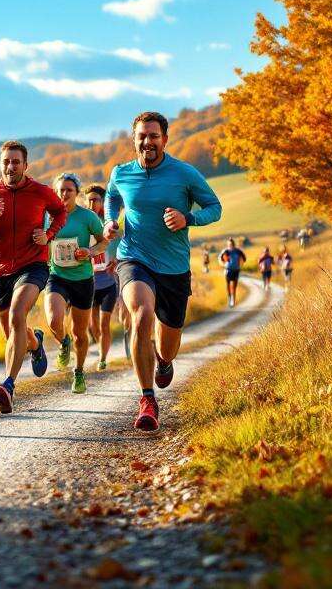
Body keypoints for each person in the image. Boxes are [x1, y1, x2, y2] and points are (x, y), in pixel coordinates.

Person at [104, 111, 221, 431]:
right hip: (134, 258)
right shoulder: (121, 173)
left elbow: (215, 208)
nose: (147, 142)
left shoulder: (184, 174)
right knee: (141, 314)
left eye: (154, 136)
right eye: (142, 136)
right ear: (134, 140)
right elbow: (112, 197)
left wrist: (189, 219)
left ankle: (164, 360)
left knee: (168, 345)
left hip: (173, 268)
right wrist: (110, 221)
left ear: (165, 140)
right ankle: (147, 399)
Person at [0, 140, 67, 414]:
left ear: (25, 166)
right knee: (12, 331)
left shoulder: (40, 191)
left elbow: (60, 211)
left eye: (16, 162)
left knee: (17, 313)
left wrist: (48, 235)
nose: (11, 166)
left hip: (33, 265)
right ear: (0, 164)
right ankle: (35, 342)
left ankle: (8, 385)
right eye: (6, 161)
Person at [42, 172, 107, 394]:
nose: (64, 193)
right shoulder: (47, 217)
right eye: (60, 190)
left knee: (81, 333)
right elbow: (39, 239)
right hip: (57, 276)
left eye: (69, 190)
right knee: (53, 319)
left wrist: (89, 251)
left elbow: (103, 243)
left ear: (76, 193)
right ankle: (63, 342)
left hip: (83, 279)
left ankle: (78, 372)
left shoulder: (87, 217)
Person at [84, 183, 119, 372]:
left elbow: (121, 242)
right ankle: (100, 348)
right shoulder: (83, 224)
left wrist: (116, 259)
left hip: (107, 282)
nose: (92, 204)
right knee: (93, 326)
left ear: (103, 202)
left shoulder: (109, 225)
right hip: (90, 284)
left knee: (105, 324)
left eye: (96, 200)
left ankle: (103, 358)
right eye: (89, 200)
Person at [219, 238, 246, 308]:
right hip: (228, 269)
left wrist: (241, 265)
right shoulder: (225, 251)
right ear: (227, 244)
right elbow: (220, 258)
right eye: (229, 244)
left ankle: (233, 300)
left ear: (233, 244)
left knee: (234, 286)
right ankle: (229, 298)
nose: (230, 245)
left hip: (236, 270)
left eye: (231, 244)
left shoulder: (238, 251)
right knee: (228, 285)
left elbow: (244, 258)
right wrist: (224, 264)